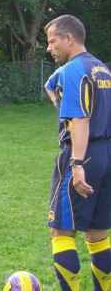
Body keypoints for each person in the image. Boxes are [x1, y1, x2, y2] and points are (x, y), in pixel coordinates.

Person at [44, 15, 111, 291]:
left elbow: (81, 119)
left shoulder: (73, 70)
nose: (49, 48)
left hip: (83, 154)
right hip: (106, 153)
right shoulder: (102, 69)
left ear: (69, 38)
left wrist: (77, 162)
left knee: (60, 231)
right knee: (97, 233)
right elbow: (52, 88)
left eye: (52, 41)